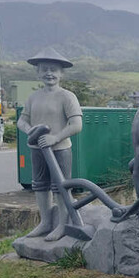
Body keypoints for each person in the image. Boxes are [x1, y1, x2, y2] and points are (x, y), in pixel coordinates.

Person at [17, 47, 83, 242]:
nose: (49, 73)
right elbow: (22, 121)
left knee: (60, 187)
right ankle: (45, 222)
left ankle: (62, 224)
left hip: (60, 150)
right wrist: (31, 131)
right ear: (38, 72)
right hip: (37, 149)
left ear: (61, 73)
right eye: (44, 69)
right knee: (40, 185)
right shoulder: (33, 97)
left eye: (53, 70)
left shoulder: (67, 96)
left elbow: (76, 124)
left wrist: (56, 138)